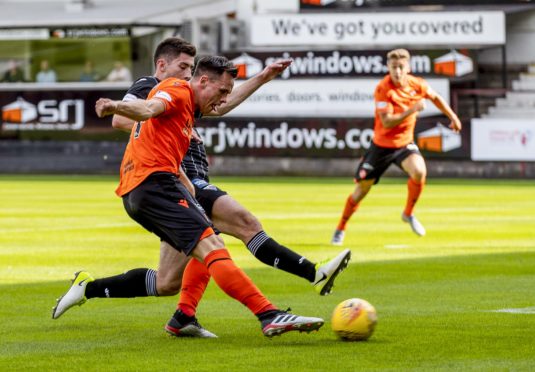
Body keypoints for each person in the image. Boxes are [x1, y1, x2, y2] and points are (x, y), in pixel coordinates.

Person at [52, 38, 350, 338]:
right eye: (184, 67)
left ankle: (98, 291)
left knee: (168, 281)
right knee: (221, 240)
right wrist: (116, 105)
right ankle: (274, 309)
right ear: (167, 66)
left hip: (156, 186)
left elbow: (180, 125)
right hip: (155, 185)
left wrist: (183, 181)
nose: (186, 72)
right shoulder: (173, 89)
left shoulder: (187, 107)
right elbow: (146, 109)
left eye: (189, 67)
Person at [331, 48, 462, 245]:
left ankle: (408, 213)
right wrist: (413, 109)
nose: (397, 71)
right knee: (361, 190)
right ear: (388, 68)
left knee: (419, 171)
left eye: (401, 67)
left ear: (408, 68)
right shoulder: (384, 88)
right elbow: (387, 122)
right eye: (394, 67)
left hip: (404, 144)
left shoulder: (417, 84)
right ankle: (340, 228)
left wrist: (452, 116)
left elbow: (435, 97)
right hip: (381, 146)